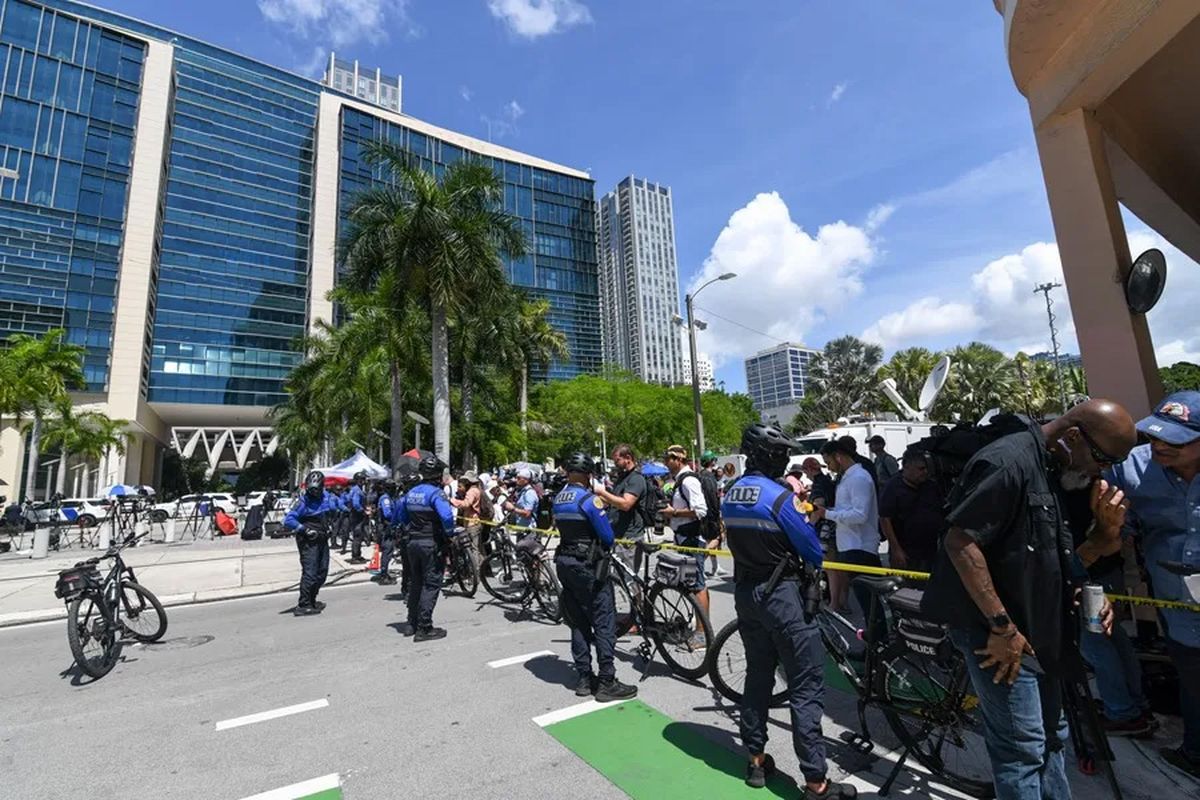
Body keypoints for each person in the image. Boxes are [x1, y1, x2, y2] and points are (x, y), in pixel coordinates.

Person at [921, 399, 1135, 800]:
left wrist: (1099, 560)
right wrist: (1002, 626)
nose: (1101, 471)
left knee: (1053, 736)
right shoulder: (1008, 462)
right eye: (1103, 459)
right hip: (999, 633)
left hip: (1041, 625)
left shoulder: (1060, 470)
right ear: (1073, 437)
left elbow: (1049, 555)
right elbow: (961, 541)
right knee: (1021, 751)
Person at [723, 424, 856, 799]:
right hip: (782, 596)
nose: (785, 460)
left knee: (758, 678)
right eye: (781, 454)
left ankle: (755, 760)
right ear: (769, 456)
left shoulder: (731, 494)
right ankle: (816, 782)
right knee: (806, 685)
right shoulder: (780, 498)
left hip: (747, 594)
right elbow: (812, 551)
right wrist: (809, 520)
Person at [1101, 391, 1200, 776]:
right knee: (1191, 676)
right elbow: (1113, 529)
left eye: (1174, 440)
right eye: (1155, 436)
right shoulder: (1132, 469)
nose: (1160, 445)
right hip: (1176, 603)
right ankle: (1194, 753)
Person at [552, 452, 638, 703]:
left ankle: (583, 678)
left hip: (564, 563)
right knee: (603, 620)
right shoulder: (590, 500)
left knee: (577, 621)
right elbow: (607, 537)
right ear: (589, 475)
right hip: (589, 565)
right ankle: (607, 680)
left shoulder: (559, 498)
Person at [811, 438, 880, 615]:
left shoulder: (859, 478)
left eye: (828, 462)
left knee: (871, 604)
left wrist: (828, 514)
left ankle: (881, 638)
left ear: (839, 457)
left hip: (860, 547)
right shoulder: (847, 478)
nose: (828, 467)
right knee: (866, 602)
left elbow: (860, 515)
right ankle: (875, 638)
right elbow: (847, 509)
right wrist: (827, 511)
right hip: (849, 545)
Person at [394, 454, 458, 642]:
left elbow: (403, 516)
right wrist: (449, 534)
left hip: (413, 542)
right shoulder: (435, 493)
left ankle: (411, 624)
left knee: (416, 583)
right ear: (438, 475)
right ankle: (424, 627)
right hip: (430, 543)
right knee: (431, 585)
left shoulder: (412, 493)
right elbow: (446, 517)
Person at [662, 444, 710, 646]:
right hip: (683, 537)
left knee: (698, 584)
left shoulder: (688, 480)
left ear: (678, 459)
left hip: (692, 538)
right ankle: (698, 628)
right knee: (690, 584)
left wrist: (673, 513)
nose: (666, 463)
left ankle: (702, 633)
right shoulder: (681, 480)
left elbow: (700, 510)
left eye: (668, 459)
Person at [877, 449, 944, 572]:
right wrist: (896, 549)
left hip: (930, 549)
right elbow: (885, 519)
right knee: (907, 589)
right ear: (907, 467)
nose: (925, 472)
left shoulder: (930, 486)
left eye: (926, 469)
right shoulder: (892, 488)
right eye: (921, 469)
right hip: (906, 550)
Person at [284, 471, 339, 616]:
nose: (314, 492)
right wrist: (304, 529)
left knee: (322, 572)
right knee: (310, 573)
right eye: (311, 489)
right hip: (308, 540)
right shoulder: (303, 501)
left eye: (317, 489)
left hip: (322, 538)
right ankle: (304, 604)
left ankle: (312, 599)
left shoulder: (327, 496)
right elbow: (289, 520)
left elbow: (335, 507)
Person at [593, 444, 648, 572]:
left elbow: (625, 504)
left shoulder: (636, 479)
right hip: (617, 535)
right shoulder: (622, 478)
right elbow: (614, 501)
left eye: (617, 460)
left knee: (630, 582)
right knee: (617, 578)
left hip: (629, 539)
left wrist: (602, 492)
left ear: (628, 458)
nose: (615, 464)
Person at [698, 450, 727, 578]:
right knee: (717, 538)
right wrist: (717, 513)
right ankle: (699, 564)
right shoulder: (708, 478)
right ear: (711, 462)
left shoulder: (701, 475)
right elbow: (712, 498)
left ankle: (715, 566)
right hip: (710, 514)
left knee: (709, 540)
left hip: (705, 514)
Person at [452, 471, 485, 567]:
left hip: (472, 523)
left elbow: (466, 504)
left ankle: (476, 569)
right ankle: (482, 567)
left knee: (473, 548)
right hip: (473, 522)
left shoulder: (472, 491)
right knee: (476, 548)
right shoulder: (476, 490)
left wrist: (453, 501)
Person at [373, 481, 398, 586]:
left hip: (386, 527)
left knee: (388, 551)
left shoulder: (388, 498)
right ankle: (383, 575)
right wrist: (396, 519)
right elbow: (387, 514)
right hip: (385, 528)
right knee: (387, 550)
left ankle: (384, 572)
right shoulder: (385, 498)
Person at [345, 472, 369, 564]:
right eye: (362, 479)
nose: (364, 481)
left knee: (359, 535)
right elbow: (356, 504)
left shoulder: (357, 489)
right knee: (357, 536)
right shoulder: (356, 490)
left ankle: (358, 555)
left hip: (357, 516)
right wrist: (363, 511)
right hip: (357, 516)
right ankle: (355, 556)